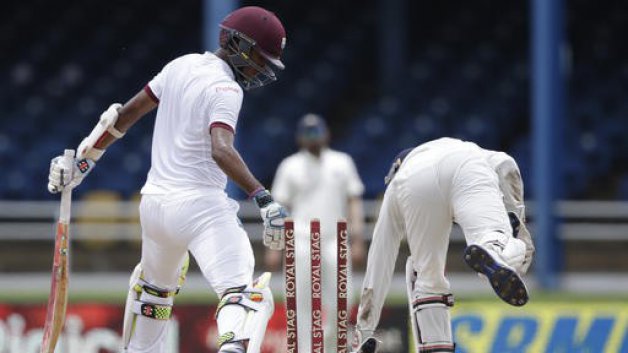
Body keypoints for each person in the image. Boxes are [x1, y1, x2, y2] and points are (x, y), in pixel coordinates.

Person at [47, 6, 288, 353]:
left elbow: (124, 115)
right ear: (238, 44)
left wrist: (83, 163)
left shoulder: (181, 65)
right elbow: (221, 150)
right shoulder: (226, 88)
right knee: (244, 294)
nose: (261, 69)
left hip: (155, 208)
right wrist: (263, 198)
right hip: (200, 207)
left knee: (154, 296)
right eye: (259, 59)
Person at [351, 137, 535, 353]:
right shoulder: (461, 146)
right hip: (465, 164)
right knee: (495, 237)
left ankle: (437, 349)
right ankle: (496, 249)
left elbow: (379, 262)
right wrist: (519, 232)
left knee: (428, 279)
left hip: (414, 184)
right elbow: (506, 165)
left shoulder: (396, 185)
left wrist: (364, 331)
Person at [267, 113, 366, 352]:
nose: (313, 137)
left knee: (344, 299)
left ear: (327, 133)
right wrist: (274, 246)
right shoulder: (290, 165)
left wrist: (357, 239)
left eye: (317, 131)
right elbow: (279, 208)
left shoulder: (342, 162)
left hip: (335, 239)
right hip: (300, 240)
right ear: (300, 137)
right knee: (300, 300)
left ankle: (332, 347)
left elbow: (354, 200)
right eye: (308, 133)